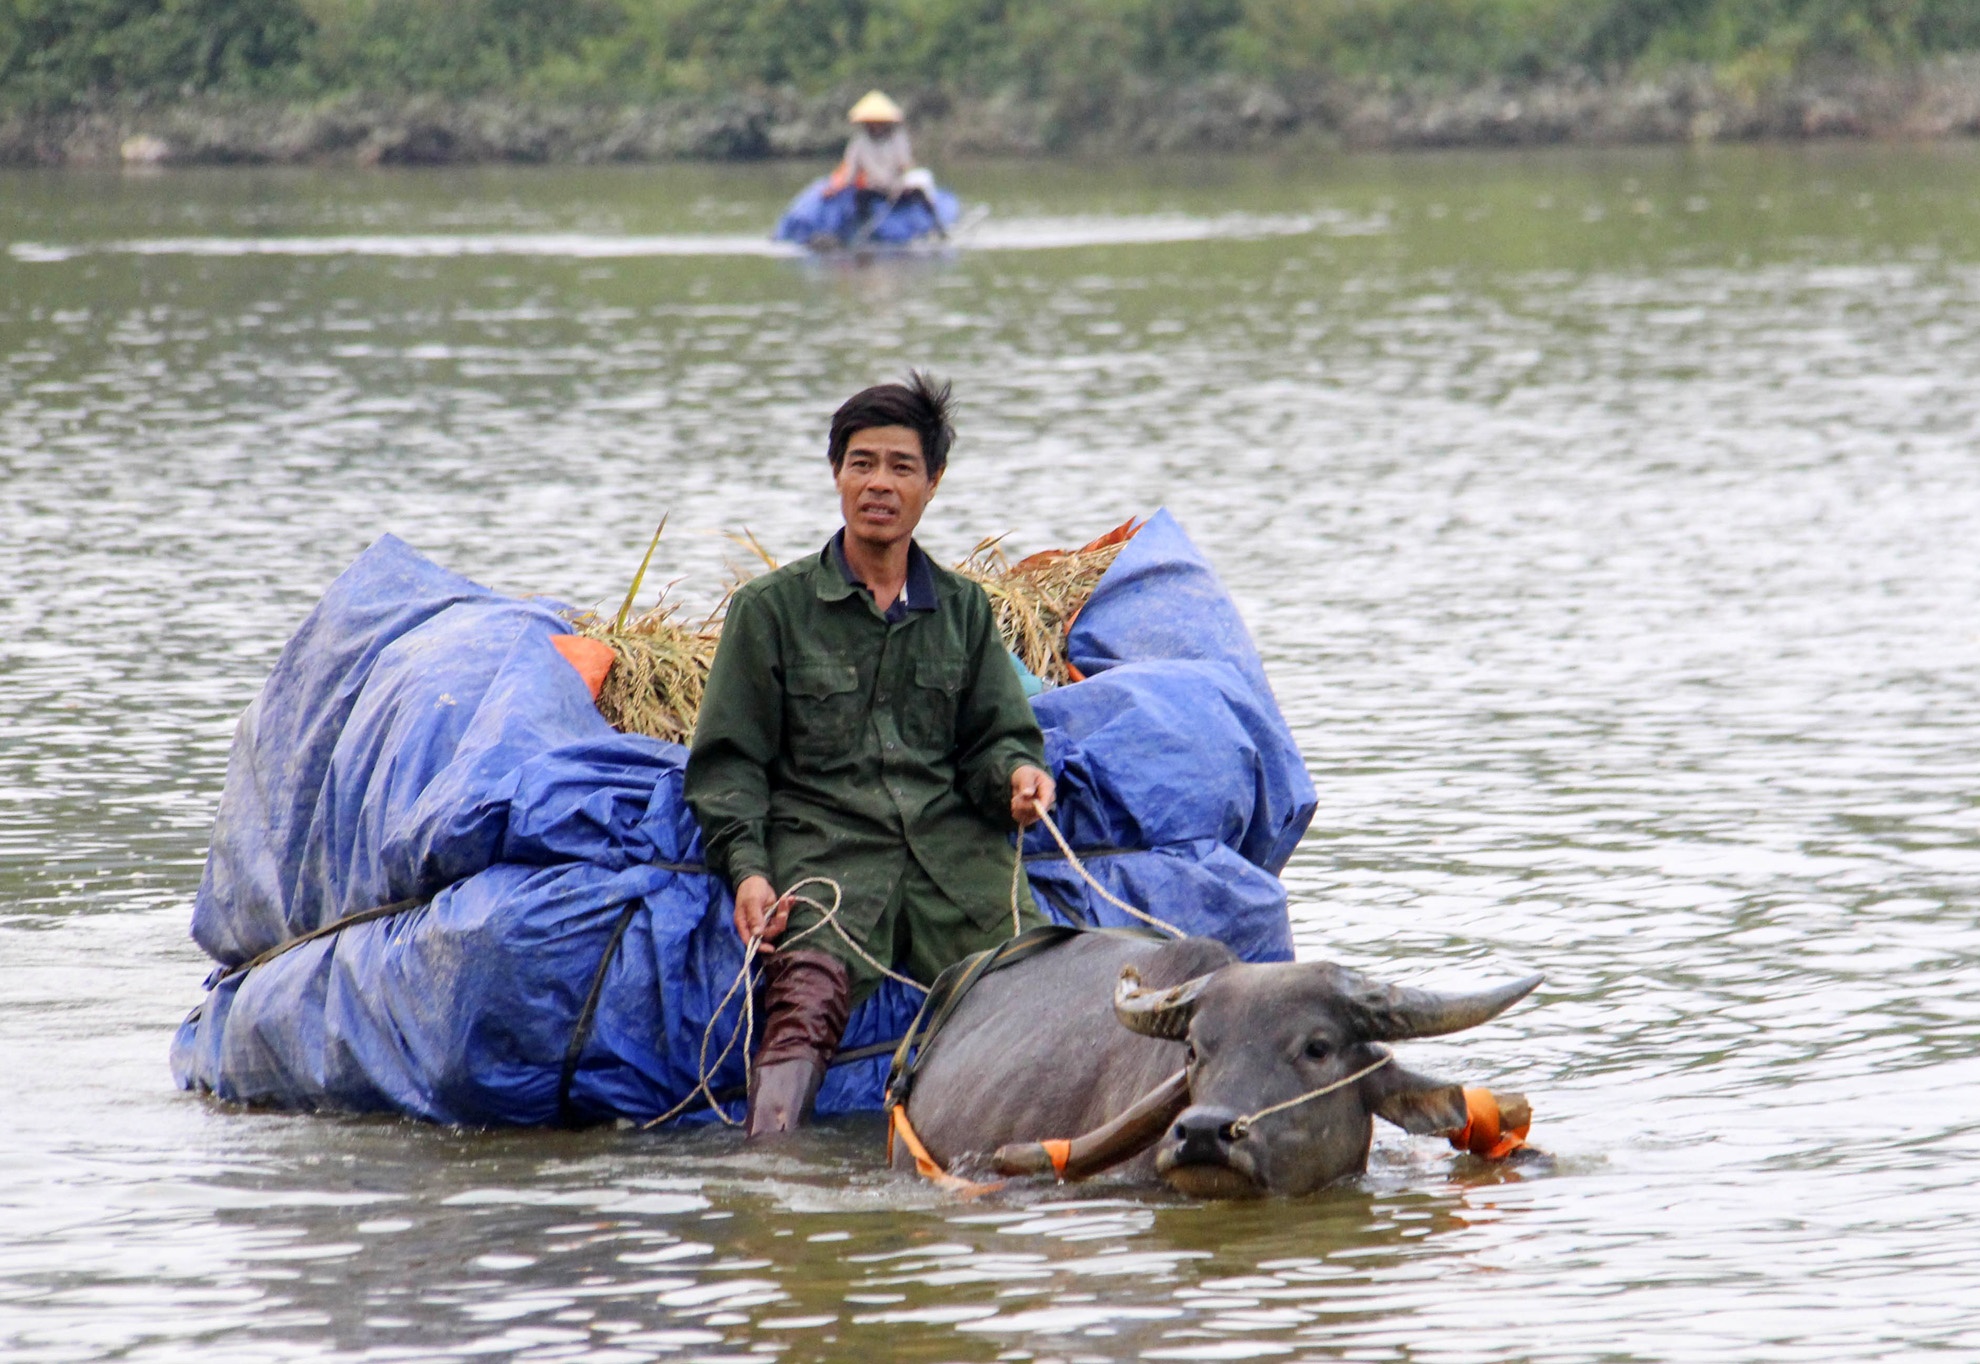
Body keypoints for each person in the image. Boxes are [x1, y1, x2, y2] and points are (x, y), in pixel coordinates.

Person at [685, 373, 1057, 1138]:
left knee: (1037, 985)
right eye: (861, 463)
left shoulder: (963, 611)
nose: (878, 484)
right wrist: (749, 871)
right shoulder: (771, 612)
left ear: (933, 483)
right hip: (828, 854)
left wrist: (1018, 781)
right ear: (835, 475)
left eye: (899, 466)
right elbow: (728, 766)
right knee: (805, 1002)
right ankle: (773, 1172)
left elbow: (998, 742)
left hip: (953, 859)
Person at [830, 91, 928, 234]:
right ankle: (865, 229)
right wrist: (835, 189)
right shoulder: (858, 143)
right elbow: (851, 172)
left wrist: (905, 177)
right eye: (871, 123)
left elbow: (905, 164)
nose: (875, 126)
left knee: (919, 194)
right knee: (861, 197)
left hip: (896, 188)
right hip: (875, 188)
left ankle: (938, 230)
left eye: (878, 122)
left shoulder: (898, 139)